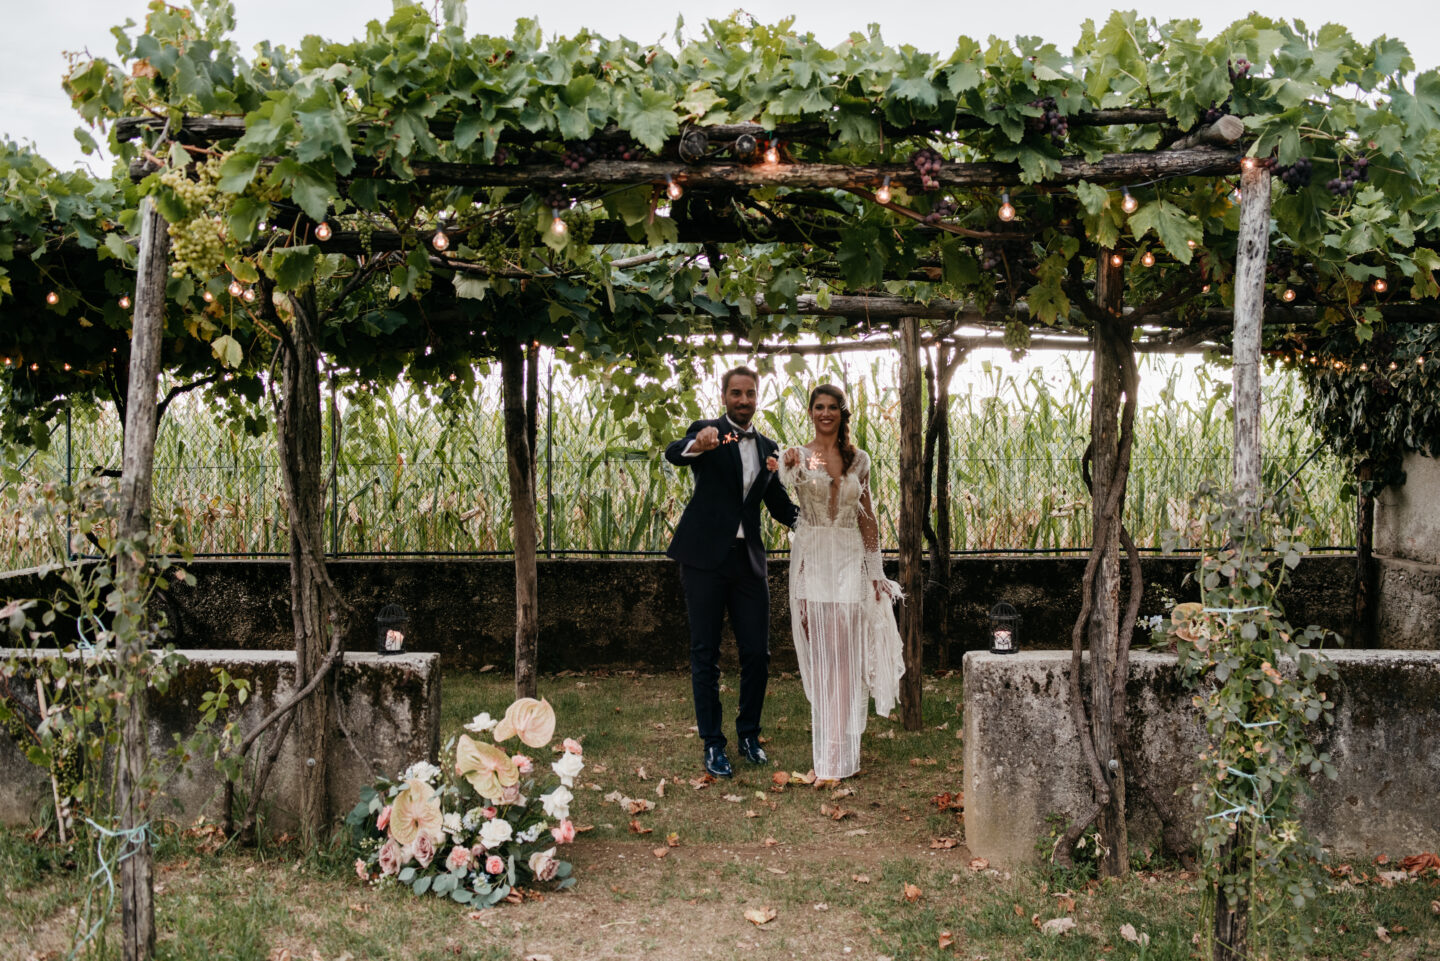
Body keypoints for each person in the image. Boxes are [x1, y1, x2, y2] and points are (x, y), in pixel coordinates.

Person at [666, 366, 800, 778]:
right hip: (704, 558)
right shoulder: (707, 431)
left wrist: (815, 524)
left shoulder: (768, 447)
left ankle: (748, 735)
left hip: (748, 562)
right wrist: (696, 444)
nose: (743, 400)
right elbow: (675, 452)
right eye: (736, 393)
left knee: (757, 653)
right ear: (724, 396)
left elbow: (777, 503)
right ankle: (713, 744)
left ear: (758, 397)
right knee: (704, 653)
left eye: (750, 394)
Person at [777, 384, 904, 782]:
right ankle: (829, 740)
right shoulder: (798, 455)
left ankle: (841, 747)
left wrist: (876, 572)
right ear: (810, 412)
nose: (825, 413)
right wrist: (786, 463)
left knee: (847, 656)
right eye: (819, 407)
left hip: (850, 558)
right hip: (813, 559)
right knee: (824, 654)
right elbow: (782, 481)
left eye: (832, 407)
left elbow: (867, 518)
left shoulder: (859, 459)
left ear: (842, 413)